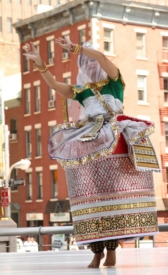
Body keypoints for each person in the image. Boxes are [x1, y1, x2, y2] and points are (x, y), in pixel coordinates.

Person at [23, 37, 160, 268]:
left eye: (91, 60)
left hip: (114, 137)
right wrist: (39, 63)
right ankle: (97, 251)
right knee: (91, 195)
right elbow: (56, 86)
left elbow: (103, 58)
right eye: (84, 62)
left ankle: (112, 248)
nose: (90, 65)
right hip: (90, 138)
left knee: (113, 196)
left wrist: (78, 48)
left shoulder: (115, 82)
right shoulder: (82, 91)